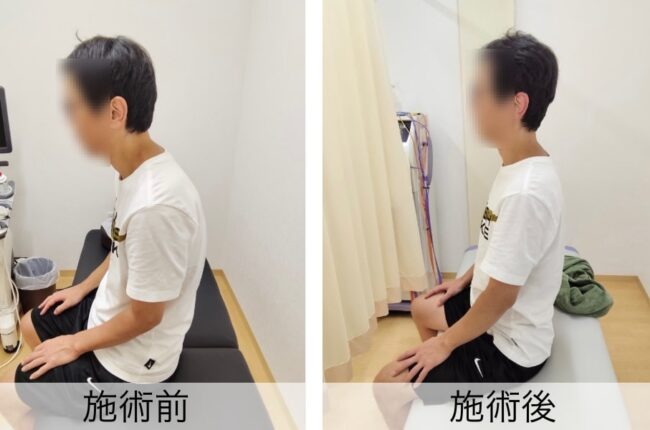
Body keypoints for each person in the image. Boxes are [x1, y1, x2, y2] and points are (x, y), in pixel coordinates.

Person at [373, 30, 563, 429]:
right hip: (492, 312)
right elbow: (503, 248)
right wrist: (463, 280)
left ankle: (441, 382)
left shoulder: (526, 192)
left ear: (516, 104)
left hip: (510, 347)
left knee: (384, 386)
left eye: (479, 93)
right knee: (423, 307)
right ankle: (440, 393)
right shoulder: (516, 166)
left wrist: (445, 343)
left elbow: (503, 297)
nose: (471, 104)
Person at [15, 36, 207, 385]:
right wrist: (82, 287)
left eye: (74, 109)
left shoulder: (156, 206)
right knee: (30, 322)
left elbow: (146, 317)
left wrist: (74, 343)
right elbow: (121, 242)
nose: (70, 122)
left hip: (134, 362)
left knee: (24, 381)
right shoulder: (130, 168)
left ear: (115, 112)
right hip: (110, 307)